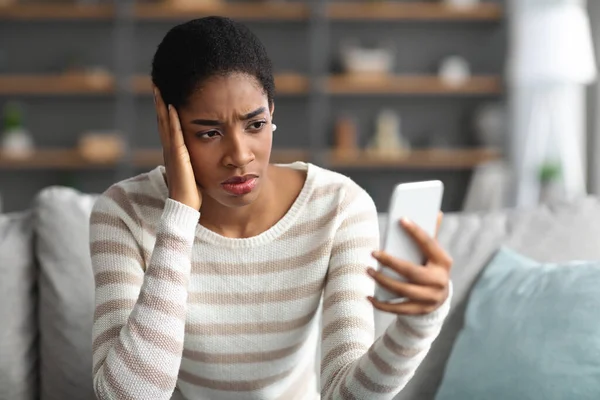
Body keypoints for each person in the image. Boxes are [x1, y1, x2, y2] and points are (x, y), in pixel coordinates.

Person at [89, 16, 453, 400]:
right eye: (209, 132)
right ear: (169, 125)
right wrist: (180, 214)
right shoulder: (123, 212)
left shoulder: (338, 208)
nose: (239, 156)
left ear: (272, 112)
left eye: (255, 124)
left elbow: (344, 394)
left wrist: (418, 324)